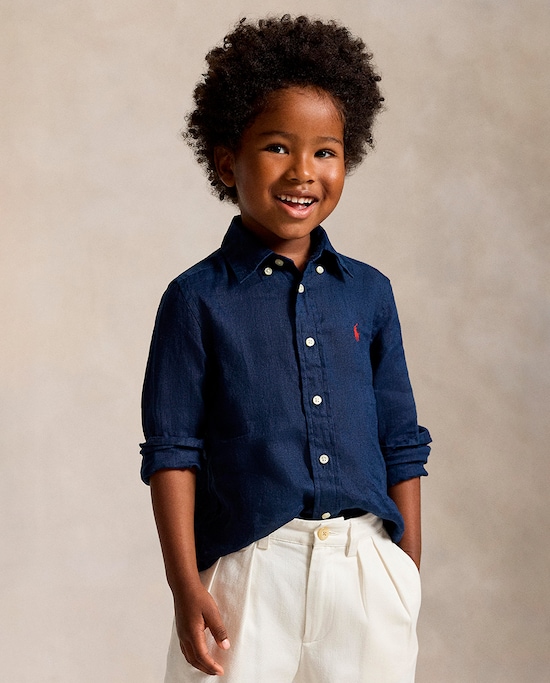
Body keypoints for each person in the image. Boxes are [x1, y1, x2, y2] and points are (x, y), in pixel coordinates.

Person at [140, 15, 431, 683]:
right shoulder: (195, 300)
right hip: (249, 571)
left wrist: (405, 572)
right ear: (227, 161)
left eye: (326, 151)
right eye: (277, 146)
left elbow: (401, 440)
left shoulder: (370, 294)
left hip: (364, 570)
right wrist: (186, 584)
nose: (303, 171)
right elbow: (172, 451)